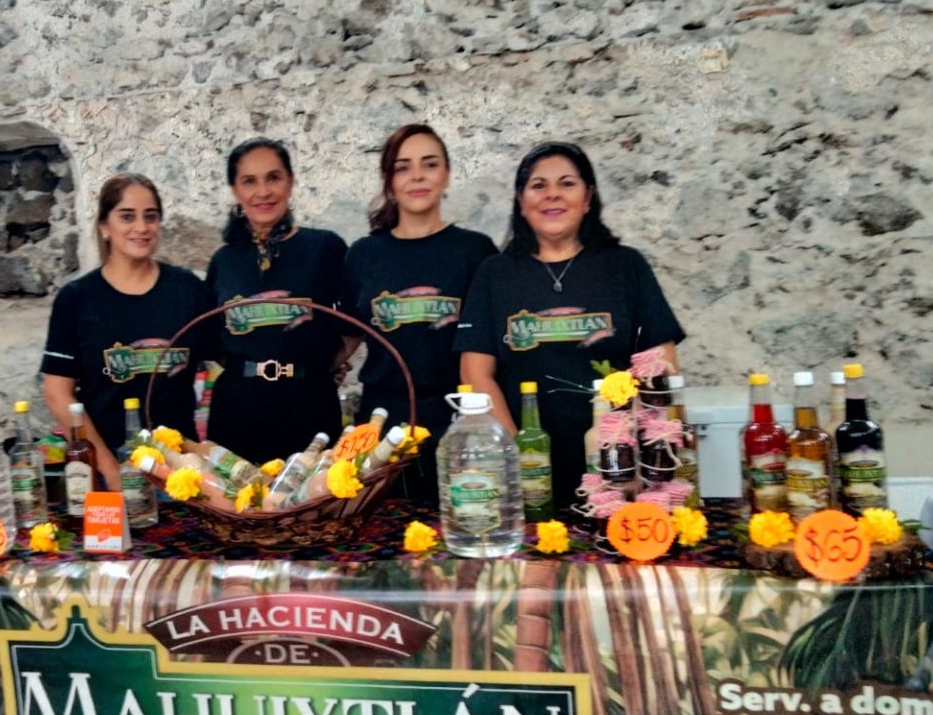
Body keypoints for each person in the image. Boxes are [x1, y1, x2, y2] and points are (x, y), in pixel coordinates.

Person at [456, 142, 685, 508]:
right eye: (538, 185)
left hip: (620, 472)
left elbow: (661, 367)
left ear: (588, 197)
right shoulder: (494, 274)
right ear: (521, 201)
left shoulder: (625, 266)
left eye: (567, 183)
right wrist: (520, 458)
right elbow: (475, 373)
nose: (553, 195)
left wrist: (647, 456)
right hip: (530, 476)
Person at [342, 124, 496, 503]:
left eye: (429, 164)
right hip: (381, 425)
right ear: (389, 180)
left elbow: (491, 348)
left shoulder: (476, 251)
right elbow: (346, 336)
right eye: (403, 167)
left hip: (457, 422)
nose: (417, 176)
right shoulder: (363, 255)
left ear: (447, 174)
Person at [41, 173, 212, 488]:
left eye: (150, 216)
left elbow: (227, 358)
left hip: (181, 473)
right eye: (127, 216)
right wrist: (108, 468)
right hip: (110, 468)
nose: (141, 227)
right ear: (104, 227)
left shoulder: (188, 290)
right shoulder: (77, 299)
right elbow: (57, 393)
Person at [205, 138, 348, 463]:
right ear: (235, 190)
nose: (263, 192)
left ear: (290, 182)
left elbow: (354, 318)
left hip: (310, 405)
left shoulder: (325, 248)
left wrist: (324, 365)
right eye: (249, 181)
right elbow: (213, 339)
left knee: (315, 492)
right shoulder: (224, 261)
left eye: (273, 178)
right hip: (237, 409)